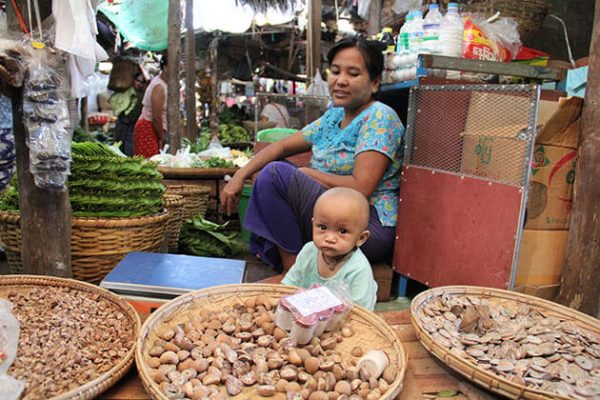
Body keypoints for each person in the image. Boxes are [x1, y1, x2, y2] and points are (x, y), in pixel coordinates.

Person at [221, 36, 405, 273]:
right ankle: (299, 268)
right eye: (336, 71)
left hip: (364, 227)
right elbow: (282, 147)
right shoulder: (334, 116)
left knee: (276, 174)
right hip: (330, 217)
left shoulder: (380, 117)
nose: (340, 81)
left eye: (353, 73)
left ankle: (295, 273)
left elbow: (361, 187)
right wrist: (239, 176)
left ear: (375, 83)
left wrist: (309, 174)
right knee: (275, 167)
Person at [282, 187, 378, 310]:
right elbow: (290, 284)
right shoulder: (309, 251)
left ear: (361, 238)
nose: (330, 238)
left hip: (343, 320)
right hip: (307, 316)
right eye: (322, 227)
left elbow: (360, 312)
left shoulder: (358, 269)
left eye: (342, 231)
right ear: (313, 224)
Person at [134, 56, 168, 158]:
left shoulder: (164, 84)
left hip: (154, 129)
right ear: (165, 67)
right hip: (148, 129)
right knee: (151, 164)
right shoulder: (159, 86)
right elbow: (156, 117)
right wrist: (162, 138)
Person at [110, 72, 146, 156]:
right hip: (122, 123)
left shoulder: (142, 95)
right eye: (138, 81)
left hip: (132, 125)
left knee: (129, 149)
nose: (139, 84)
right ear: (134, 80)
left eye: (142, 82)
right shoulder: (126, 91)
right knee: (119, 147)